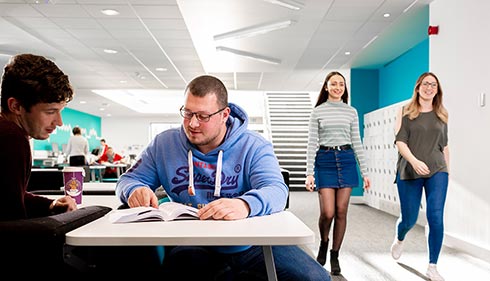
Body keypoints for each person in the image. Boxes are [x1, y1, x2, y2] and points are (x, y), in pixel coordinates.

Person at [116, 75, 330, 281]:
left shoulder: (253, 145)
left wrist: (245, 204)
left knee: (316, 278)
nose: (192, 124)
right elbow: (127, 180)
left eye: (203, 116)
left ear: (225, 115)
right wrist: (133, 190)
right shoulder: (163, 144)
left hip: (252, 242)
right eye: (187, 113)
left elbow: (276, 189)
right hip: (193, 242)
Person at [305, 71, 371, 275]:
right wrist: (309, 173)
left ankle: (335, 254)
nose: (337, 87)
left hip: (346, 159)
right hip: (324, 161)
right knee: (328, 212)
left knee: (341, 211)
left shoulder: (351, 111)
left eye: (341, 84)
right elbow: (312, 143)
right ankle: (324, 242)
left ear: (344, 88)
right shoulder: (318, 111)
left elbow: (357, 141)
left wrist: (365, 171)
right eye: (333, 84)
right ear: (326, 87)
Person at [0, 53, 77, 221]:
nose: (59, 122)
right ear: (16, 106)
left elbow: (9, 198)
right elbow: (12, 223)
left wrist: (50, 205)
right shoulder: (12, 137)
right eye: (50, 112)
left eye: (60, 111)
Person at [390, 72, 449, 281]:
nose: (429, 88)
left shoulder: (442, 114)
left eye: (433, 85)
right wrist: (415, 162)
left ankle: (432, 266)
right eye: (426, 84)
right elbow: (400, 142)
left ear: (437, 89)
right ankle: (400, 237)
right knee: (410, 218)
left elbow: (444, 146)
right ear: (418, 87)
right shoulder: (405, 111)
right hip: (409, 169)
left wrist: (447, 170)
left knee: (435, 216)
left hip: (437, 171)